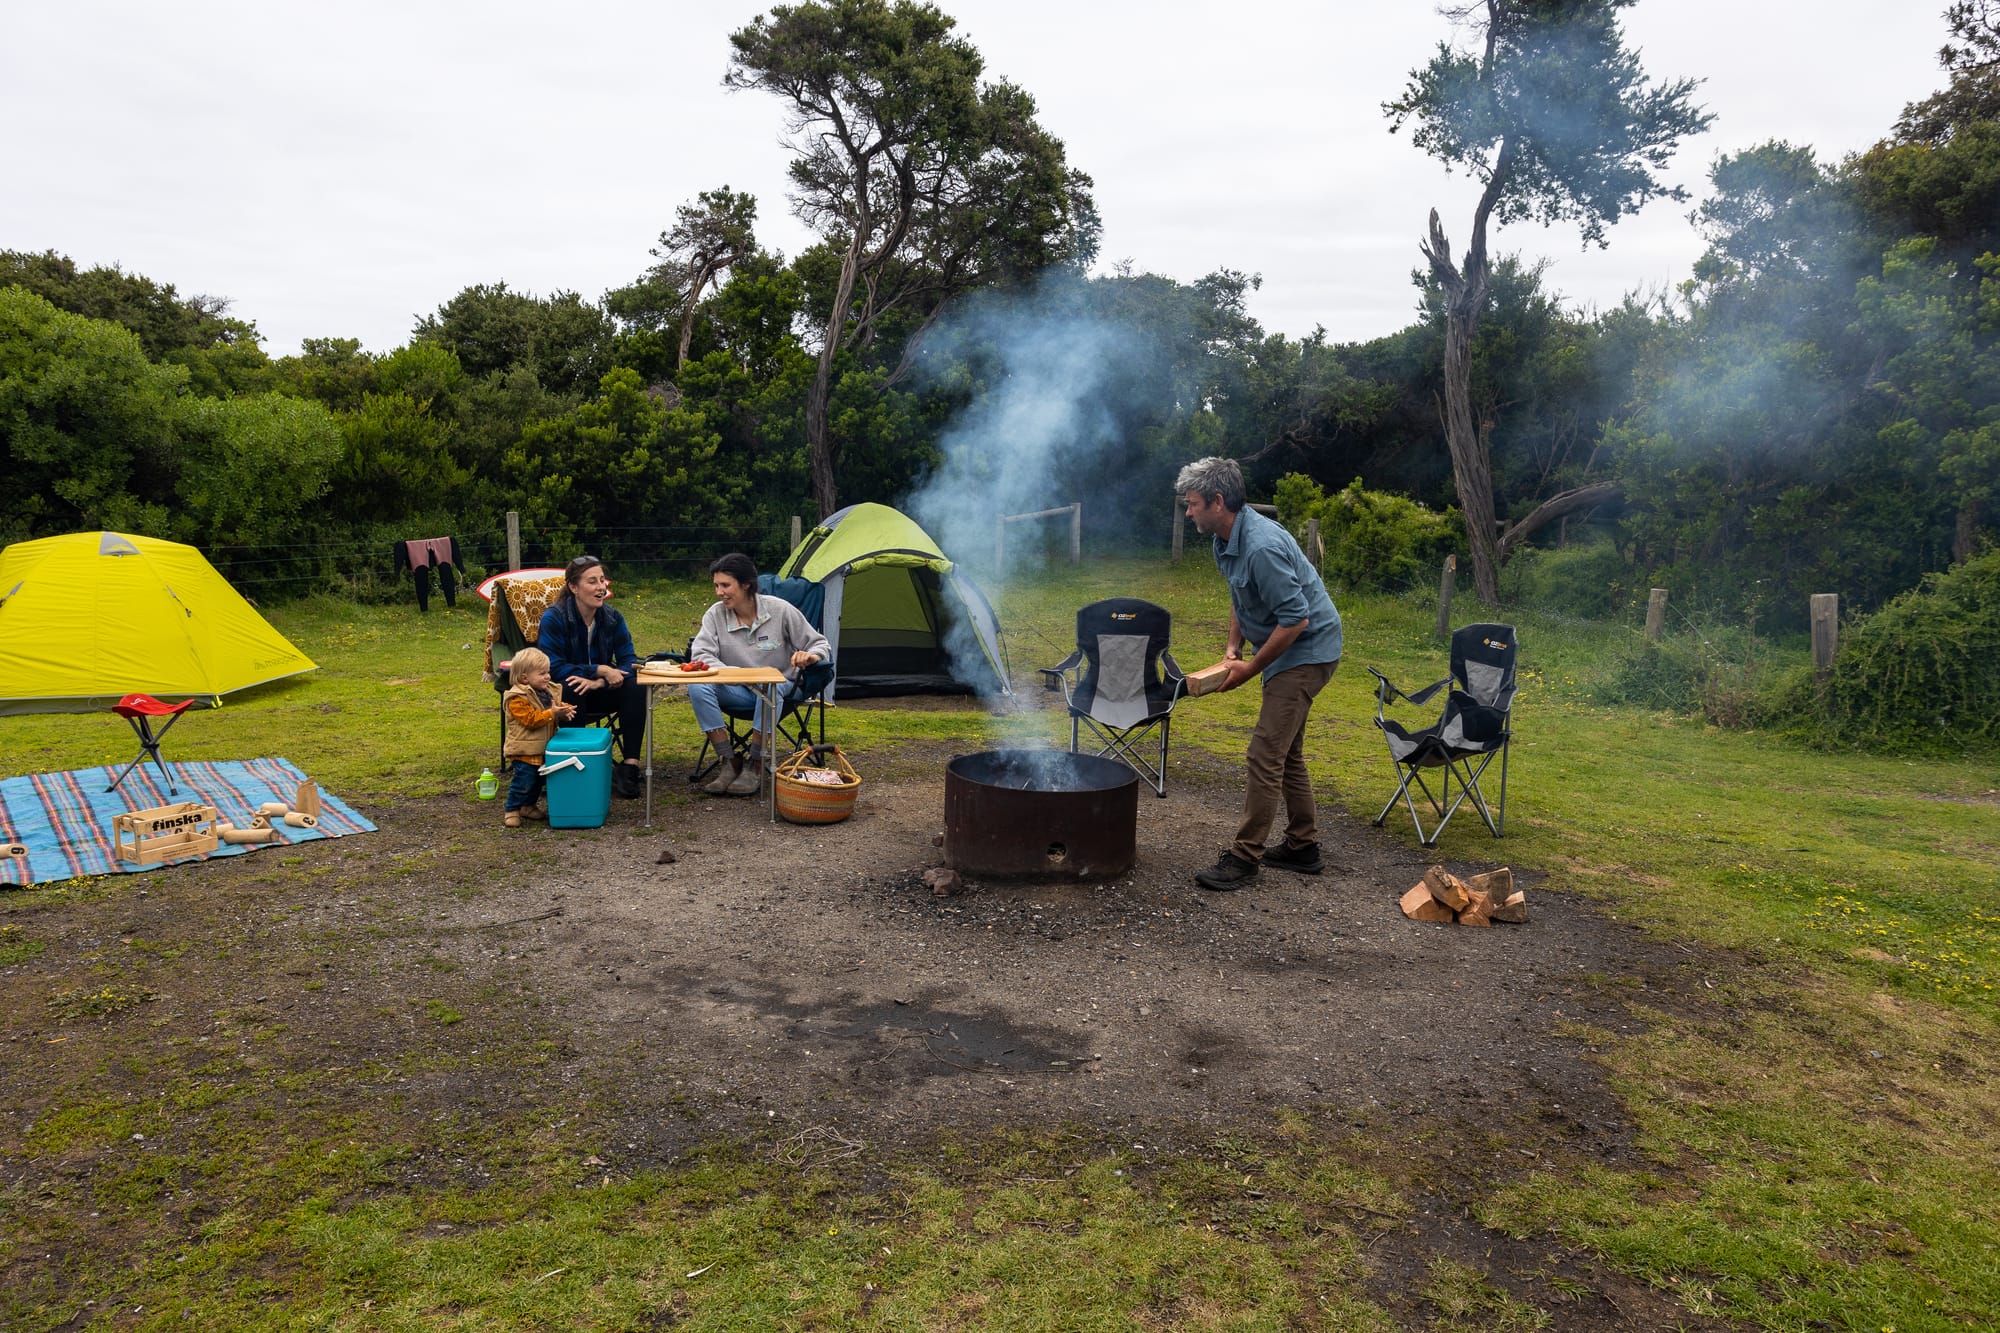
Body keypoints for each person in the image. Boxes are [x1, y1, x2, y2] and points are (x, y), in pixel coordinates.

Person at [1177, 456, 1343, 891]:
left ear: (1217, 501)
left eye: (1193, 504)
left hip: (1307, 651)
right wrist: (1233, 646)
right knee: (1286, 753)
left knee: (1265, 753)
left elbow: (1296, 619)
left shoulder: (1262, 546)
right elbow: (1241, 595)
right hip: (1291, 644)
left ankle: (1244, 858)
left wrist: (1249, 668)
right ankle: (1302, 847)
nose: (1188, 511)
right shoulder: (1223, 539)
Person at [685, 552, 831, 796]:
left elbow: (819, 644)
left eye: (725, 585)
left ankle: (755, 763)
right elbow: (700, 656)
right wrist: (739, 674)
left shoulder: (780, 610)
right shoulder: (715, 614)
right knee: (698, 686)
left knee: (768, 686)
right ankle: (728, 761)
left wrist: (811, 656)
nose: (719, 592)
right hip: (736, 690)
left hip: (777, 690)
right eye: (716, 586)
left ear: (746, 585)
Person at [537, 555, 648, 799]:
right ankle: (575, 763)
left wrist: (600, 679)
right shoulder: (554, 618)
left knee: (637, 684)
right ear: (573, 587)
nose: (600, 588)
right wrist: (598, 669)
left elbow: (630, 660)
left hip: (602, 690)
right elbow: (552, 667)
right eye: (592, 582)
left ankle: (629, 767)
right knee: (571, 685)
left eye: (602, 581)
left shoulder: (612, 617)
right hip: (564, 696)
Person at [499, 647, 576, 827]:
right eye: (542, 673)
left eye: (548, 672)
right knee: (523, 781)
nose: (548, 676)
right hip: (524, 750)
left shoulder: (545, 692)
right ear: (525, 677)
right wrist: (552, 713)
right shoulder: (516, 698)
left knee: (538, 781)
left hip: (542, 747)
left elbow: (554, 707)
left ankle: (528, 806)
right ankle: (511, 809)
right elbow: (530, 720)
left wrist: (563, 711)